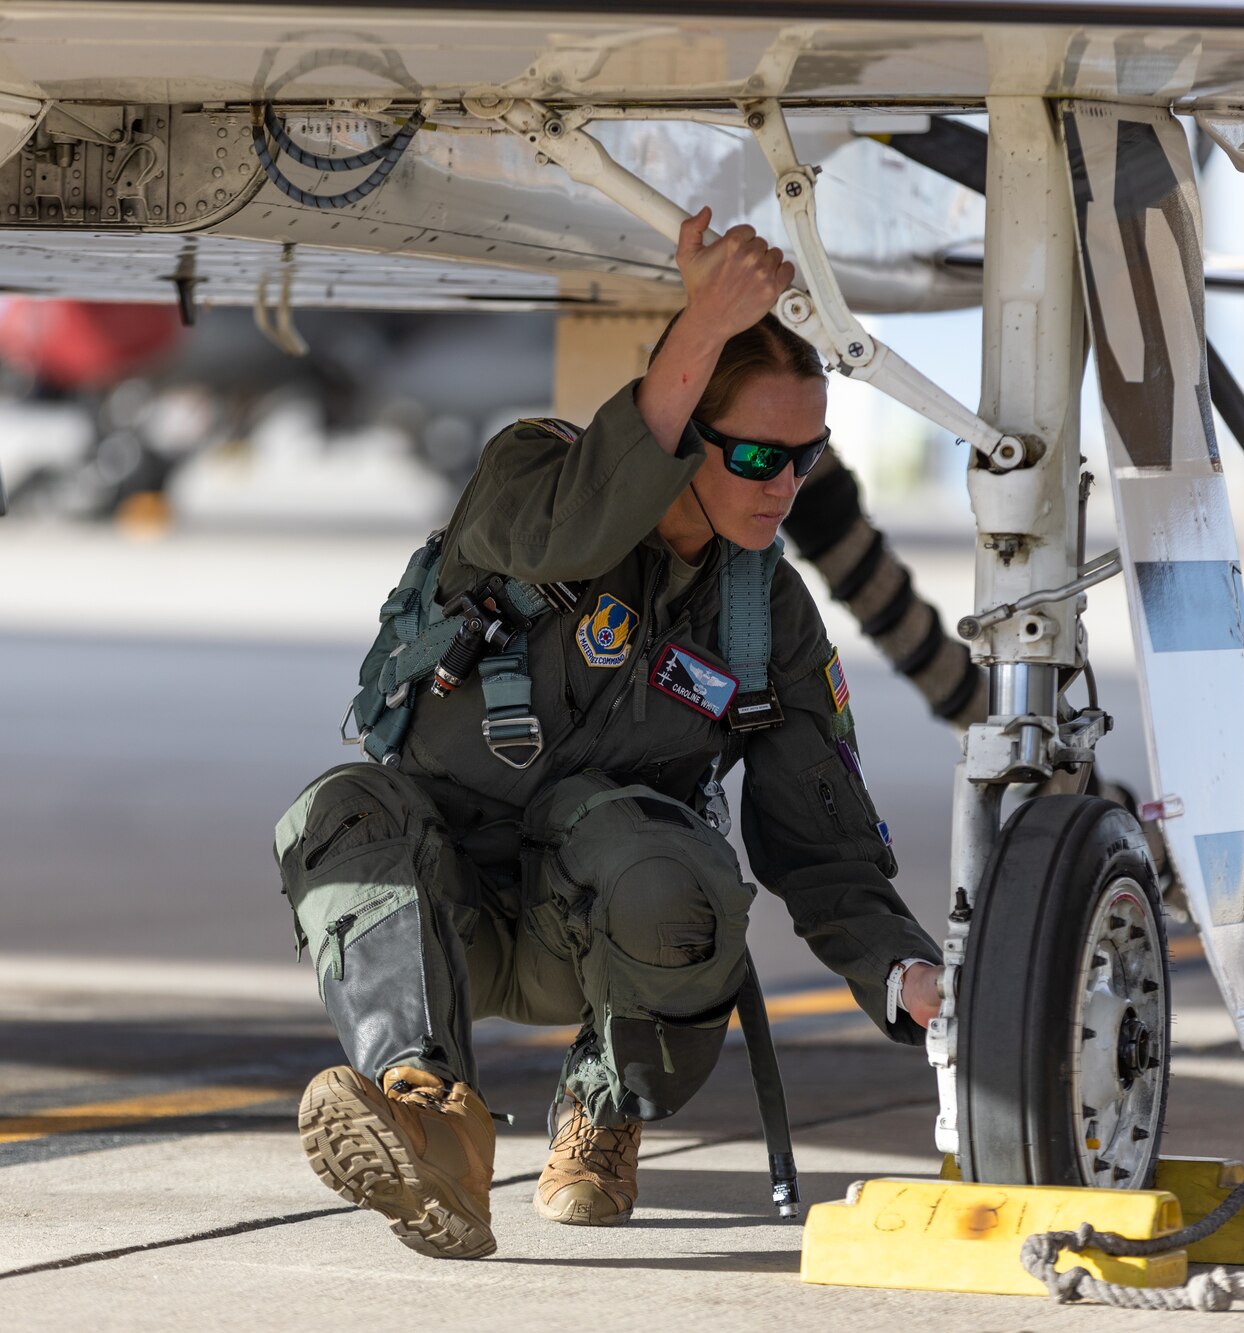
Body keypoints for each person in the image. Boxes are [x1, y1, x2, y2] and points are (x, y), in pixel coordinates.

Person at [272, 209, 943, 1261]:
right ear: (684, 437)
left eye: (805, 462)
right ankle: (425, 1109)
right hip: (442, 914)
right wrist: (704, 320)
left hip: (599, 934)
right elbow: (575, 528)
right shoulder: (525, 478)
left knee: (661, 857)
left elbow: (821, 838)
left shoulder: (764, 614)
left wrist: (903, 972)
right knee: (341, 807)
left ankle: (603, 1104)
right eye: (759, 453)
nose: (782, 487)